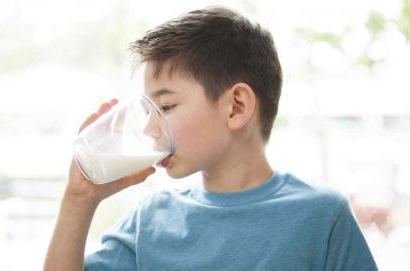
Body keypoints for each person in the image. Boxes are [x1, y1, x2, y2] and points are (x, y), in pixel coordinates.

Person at [44, 6, 378, 271]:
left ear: (236, 107)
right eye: (147, 112)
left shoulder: (322, 218)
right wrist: (78, 199)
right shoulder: (151, 221)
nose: (149, 130)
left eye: (166, 106)